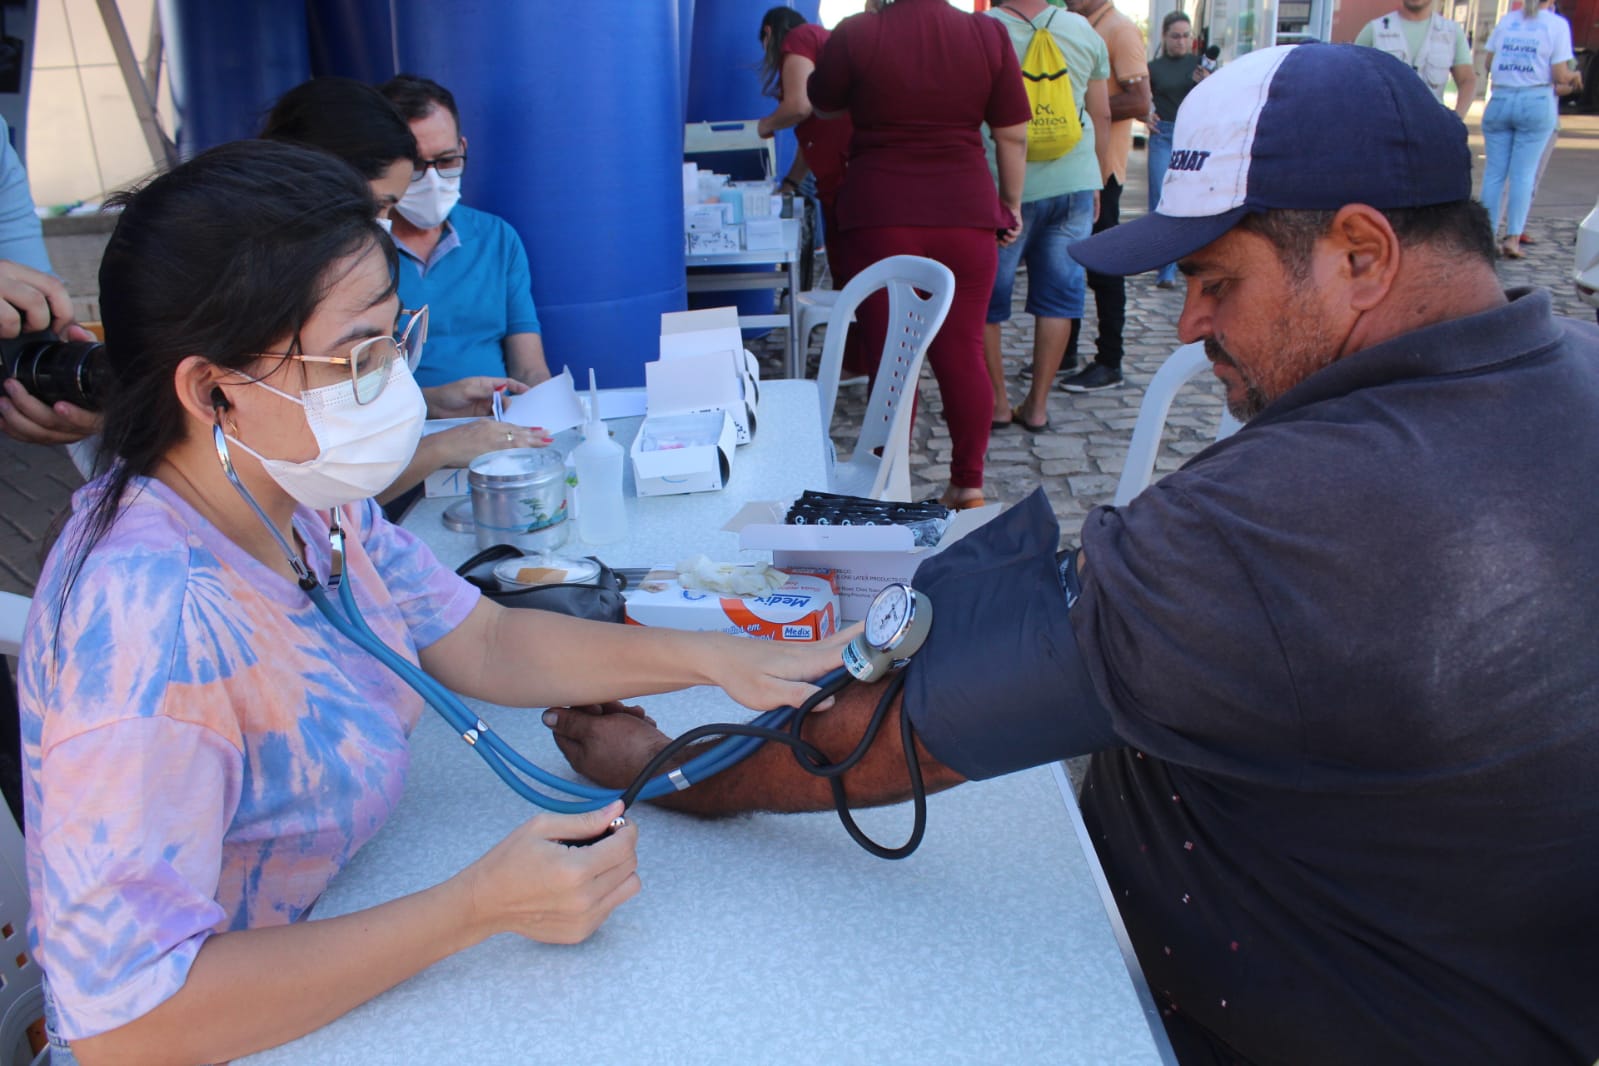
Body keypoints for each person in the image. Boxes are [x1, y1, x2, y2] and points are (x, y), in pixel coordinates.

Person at [547, 44, 1599, 1065]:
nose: (1188, 326)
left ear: (1362, 255)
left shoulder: (1269, 519)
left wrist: (665, 768)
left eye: (1215, 281)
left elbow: (890, 741)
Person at [18, 139, 848, 1065]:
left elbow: (481, 637)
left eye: (394, 339)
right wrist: (473, 910)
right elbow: (130, 1024)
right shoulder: (148, 627)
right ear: (213, 391)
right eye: (354, 355)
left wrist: (713, 658)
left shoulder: (299, 498)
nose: (392, 382)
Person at [261, 77, 553, 508]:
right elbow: (320, 498)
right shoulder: (286, 296)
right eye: (381, 206)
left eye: (447, 160)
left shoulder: (496, 237)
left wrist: (436, 406)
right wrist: (442, 446)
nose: (382, 224)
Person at [807, 0, 1032, 510]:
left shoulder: (858, 33)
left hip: (882, 210)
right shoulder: (987, 34)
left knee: (892, 354)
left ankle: (889, 484)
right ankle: (967, 483)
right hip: (966, 209)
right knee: (963, 350)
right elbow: (1012, 132)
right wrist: (1011, 203)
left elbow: (822, 103)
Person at [983, 0, 1112, 432]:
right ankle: (1037, 407)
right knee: (1060, 295)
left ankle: (999, 403)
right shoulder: (1082, 31)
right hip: (1073, 180)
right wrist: (1096, 178)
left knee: (987, 301)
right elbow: (1101, 113)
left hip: (1002, 186)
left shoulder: (983, 30)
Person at [377, 74, 551, 389]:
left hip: (498, 423)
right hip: (403, 432)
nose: (432, 180)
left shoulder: (498, 239)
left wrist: (548, 417)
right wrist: (432, 406)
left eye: (446, 161)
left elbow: (530, 371)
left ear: (463, 148)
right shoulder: (360, 249)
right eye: (415, 165)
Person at [1053, 0, 1147, 393]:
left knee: (1105, 269)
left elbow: (1141, 102)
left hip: (1102, 170)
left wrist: (1079, 107)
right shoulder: (1075, 24)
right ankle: (1065, 352)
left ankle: (1110, 360)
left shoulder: (1119, 29)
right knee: (1068, 262)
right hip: (1074, 167)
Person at [1479, 0, 1581, 259]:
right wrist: (1574, 77)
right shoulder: (1557, 25)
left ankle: (1485, 237)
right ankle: (1513, 238)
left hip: (1500, 100)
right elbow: (1560, 75)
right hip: (1535, 101)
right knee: (1523, 175)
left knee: (1494, 174)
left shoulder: (1506, 21)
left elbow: (1489, 62)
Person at [1143, 11, 1207, 289]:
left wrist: (1205, 81)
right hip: (1163, 134)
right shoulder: (1153, 68)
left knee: (1191, 200)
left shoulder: (1199, 65)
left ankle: (1192, 261)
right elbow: (1141, 99)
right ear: (1164, 37)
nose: (1181, 41)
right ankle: (1164, 268)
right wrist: (1145, 114)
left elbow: (1213, 101)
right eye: (1175, 36)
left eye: (1185, 36)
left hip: (1192, 137)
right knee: (1161, 200)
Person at [1354, 0, 1476, 118]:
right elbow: (1352, 78)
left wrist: (1457, 120)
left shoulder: (1451, 32)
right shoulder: (1375, 30)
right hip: (1386, 125)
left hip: (1433, 126)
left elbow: (1467, 80)